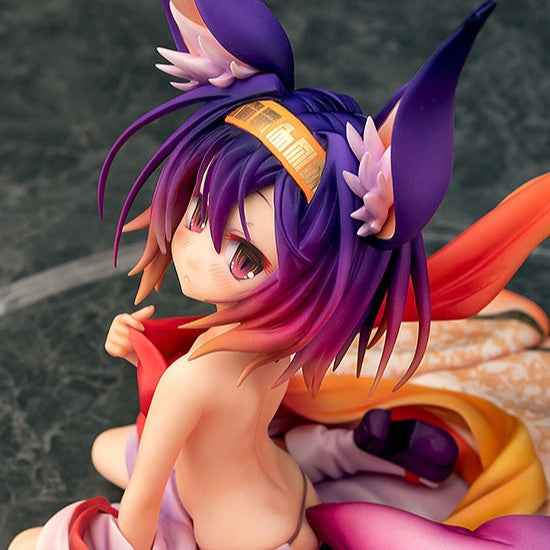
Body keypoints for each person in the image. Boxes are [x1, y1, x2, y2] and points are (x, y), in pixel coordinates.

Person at [9, 1, 550, 548]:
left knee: (36, 541)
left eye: (245, 257)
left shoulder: (187, 381)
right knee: (108, 448)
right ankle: (345, 452)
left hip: (237, 536)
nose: (194, 252)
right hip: (288, 493)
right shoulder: (283, 342)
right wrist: (139, 351)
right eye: (197, 211)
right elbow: (228, 415)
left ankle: (342, 453)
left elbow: (141, 508)